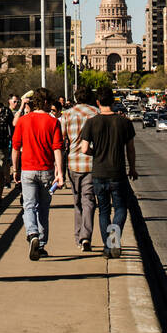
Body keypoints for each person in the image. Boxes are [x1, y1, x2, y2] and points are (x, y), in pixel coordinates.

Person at [81, 86, 138, 258]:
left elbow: (84, 149)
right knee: (121, 208)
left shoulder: (91, 122)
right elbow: (130, 149)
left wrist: (96, 153)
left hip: (99, 173)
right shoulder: (124, 122)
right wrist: (132, 168)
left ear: (97, 102)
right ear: (113, 102)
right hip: (117, 172)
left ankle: (108, 245)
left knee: (103, 210)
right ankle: (114, 238)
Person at [11, 87, 64, 260]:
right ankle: (41, 244)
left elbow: (16, 148)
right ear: (47, 102)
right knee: (43, 208)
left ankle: (32, 233)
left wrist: (14, 169)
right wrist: (60, 173)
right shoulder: (53, 122)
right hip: (46, 170)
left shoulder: (23, 121)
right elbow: (57, 149)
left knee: (28, 206)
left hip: (27, 169)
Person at [60, 87, 99, 251]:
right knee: (88, 200)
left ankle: (79, 237)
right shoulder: (96, 113)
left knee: (77, 201)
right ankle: (85, 236)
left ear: (75, 98)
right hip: (91, 161)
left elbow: (61, 141)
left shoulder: (67, 115)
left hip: (73, 163)